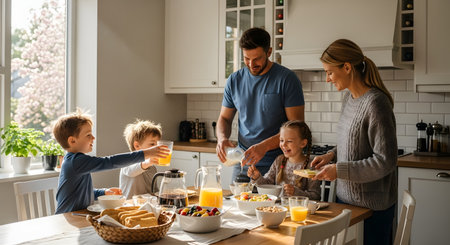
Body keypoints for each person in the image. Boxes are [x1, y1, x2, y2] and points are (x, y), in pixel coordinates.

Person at [311, 39, 397, 245]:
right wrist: (331, 155)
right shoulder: (349, 98)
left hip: (372, 209)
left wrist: (338, 170)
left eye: (329, 72)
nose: (327, 79)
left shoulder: (376, 103)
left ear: (347, 67)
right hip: (344, 202)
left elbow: (385, 161)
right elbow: (351, 143)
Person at [216, 27, 305, 182]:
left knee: (273, 206)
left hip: (278, 164)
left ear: (269, 52)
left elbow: (297, 127)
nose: (251, 64)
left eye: (257, 58)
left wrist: (263, 147)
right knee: (236, 204)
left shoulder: (287, 79)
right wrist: (222, 138)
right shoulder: (234, 80)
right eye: (246, 58)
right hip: (243, 163)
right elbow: (224, 118)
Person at [52, 110, 169, 214]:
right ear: (72, 140)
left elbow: (81, 192)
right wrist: (146, 153)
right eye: (88, 135)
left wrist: (103, 192)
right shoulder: (75, 161)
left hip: (78, 214)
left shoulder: (76, 161)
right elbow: (109, 162)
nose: (93, 138)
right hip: (67, 216)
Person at [247, 120, 320, 199]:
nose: (283, 145)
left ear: (303, 143)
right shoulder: (279, 160)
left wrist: (296, 193)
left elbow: (315, 196)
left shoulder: (312, 165)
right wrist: (257, 177)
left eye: (289, 141)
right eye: (281, 140)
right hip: (278, 209)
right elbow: (267, 184)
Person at [120, 119, 162, 199]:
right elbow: (132, 171)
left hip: (147, 207)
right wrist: (148, 162)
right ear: (137, 146)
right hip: (129, 207)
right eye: (152, 144)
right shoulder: (127, 162)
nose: (157, 147)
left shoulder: (152, 168)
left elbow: (154, 191)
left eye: (158, 144)